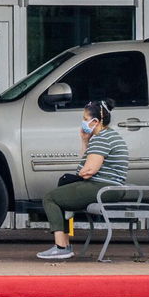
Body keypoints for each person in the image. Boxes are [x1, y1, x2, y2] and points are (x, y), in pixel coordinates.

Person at [36, 99, 129, 260]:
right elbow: (85, 166)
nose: (83, 123)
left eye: (86, 119)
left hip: (103, 187)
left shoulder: (102, 138)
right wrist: (85, 140)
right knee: (62, 191)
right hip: (108, 187)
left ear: (95, 121)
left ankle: (61, 247)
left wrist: (82, 171)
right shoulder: (107, 136)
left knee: (50, 198)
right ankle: (64, 246)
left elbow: (88, 171)